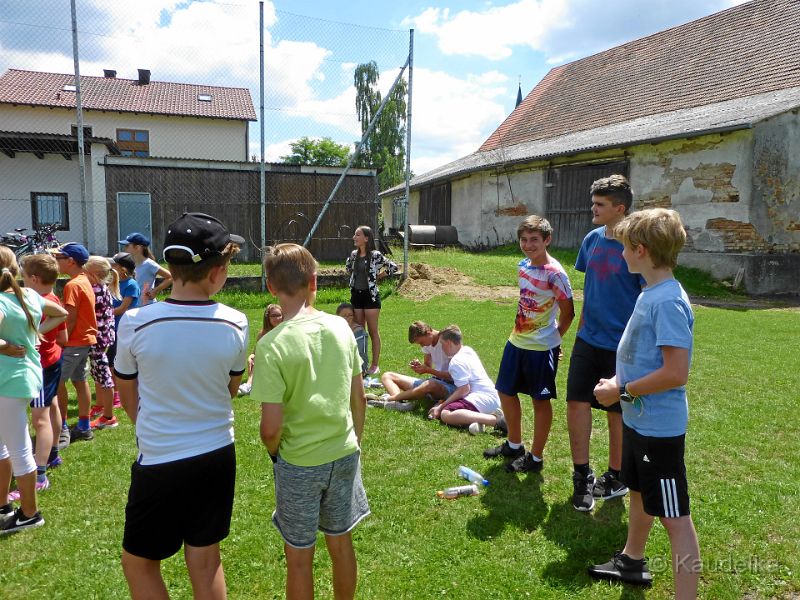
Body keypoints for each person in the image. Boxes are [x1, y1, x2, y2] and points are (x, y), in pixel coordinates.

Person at [114, 213, 248, 599]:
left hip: (159, 458)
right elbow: (230, 388)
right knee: (206, 560)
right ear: (217, 274)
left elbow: (127, 391)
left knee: (139, 562)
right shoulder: (235, 322)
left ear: (170, 267)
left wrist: (150, 426)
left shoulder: (135, 322)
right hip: (217, 454)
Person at [589, 208, 700, 597]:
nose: (620, 253)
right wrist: (619, 380)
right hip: (639, 422)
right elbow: (643, 357)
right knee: (637, 491)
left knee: (675, 518)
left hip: (658, 432)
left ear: (640, 250)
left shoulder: (667, 301)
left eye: (624, 247)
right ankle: (631, 561)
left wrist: (621, 392)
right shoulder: (650, 292)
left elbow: (675, 372)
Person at [254, 243, 368, 600]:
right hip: (344, 452)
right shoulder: (341, 328)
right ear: (314, 281)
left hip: (299, 462)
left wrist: (275, 454)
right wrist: (354, 442)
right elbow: (359, 397)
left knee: (300, 559)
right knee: (341, 544)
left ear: (271, 286)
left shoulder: (271, 345)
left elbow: (270, 429)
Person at [566, 175, 644, 512]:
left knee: (616, 412)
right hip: (588, 338)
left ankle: (616, 475)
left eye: (600, 204)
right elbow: (591, 290)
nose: (593, 209)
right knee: (576, 402)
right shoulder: (592, 240)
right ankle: (581, 475)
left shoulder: (637, 247)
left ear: (620, 208)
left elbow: (645, 297)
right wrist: (580, 329)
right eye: (593, 202)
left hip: (622, 346)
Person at [484, 215, 575, 473]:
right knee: (505, 391)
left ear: (547, 240)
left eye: (534, 239)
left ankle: (535, 458)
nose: (528, 245)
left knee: (539, 401)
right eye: (523, 240)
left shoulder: (556, 273)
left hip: (541, 348)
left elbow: (569, 313)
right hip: (516, 341)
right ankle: (514, 445)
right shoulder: (523, 265)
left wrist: (555, 340)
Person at [0, 245, 68, 534]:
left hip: (9, 382)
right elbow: (61, 312)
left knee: (17, 447)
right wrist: (36, 332)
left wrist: (4, 345)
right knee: (3, 445)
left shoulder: (3, 301)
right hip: (21, 378)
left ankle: (29, 514)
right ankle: (4, 506)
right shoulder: (28, 294)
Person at [51, 242, 97, 444]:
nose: (55, 261)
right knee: (79, 380)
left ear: (70, 261)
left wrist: (61, 342)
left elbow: (69, 318)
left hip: (73, 341)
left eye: (58, 258)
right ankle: (84, 427)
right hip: (84, 340)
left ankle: (62, 429)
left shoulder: (72, 285)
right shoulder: (83, 280)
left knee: (57, 382)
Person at [427, 325, 505, 435]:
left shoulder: (456, 361)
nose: (442, 348)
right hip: (494, 397)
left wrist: (440, 407)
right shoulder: (467, 350)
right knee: (453, 408)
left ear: (449, 343)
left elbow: (464, 389)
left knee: (446, 413)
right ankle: (478, 420)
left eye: (442, 344)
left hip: (483, 399)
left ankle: (497, 421)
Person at [345, 225, 397, 375]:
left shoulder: (375, 255)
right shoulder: (354, 255)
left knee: (373, 331)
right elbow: (348, 268)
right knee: (360, 331)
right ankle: (361, 364)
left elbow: (393, 267)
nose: (354, 237)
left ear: (366, 238)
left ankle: (374, 365)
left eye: (357, 235)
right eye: (355, 235)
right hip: (356, 296)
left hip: (371, 297)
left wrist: (379, 276)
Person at [374, 320, 456, 411]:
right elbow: (427, 365)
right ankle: (398, 403)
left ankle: (391, 399)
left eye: (421, 342)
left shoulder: (446, 342)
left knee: (430, 384)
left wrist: (428, 370)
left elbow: (453, 376)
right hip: (433, 382)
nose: (422, 346)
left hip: (449, 385)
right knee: (387, 376)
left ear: (428, 333)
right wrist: (420, 367)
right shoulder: (428, 343)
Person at [83, 256, 118, 430]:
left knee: (103, 375)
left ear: (93, 275)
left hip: (98, 338)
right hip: (103, 336)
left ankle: (109, 417)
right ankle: (100, 405)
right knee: (98, 372)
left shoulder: (95, 290)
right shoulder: (102, 287)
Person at [107, 252, 140, 409]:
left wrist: (101, 313)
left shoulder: (131, 285)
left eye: (114, 265)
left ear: (123, 269)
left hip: (123, 328)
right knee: (110, 360)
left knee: (115, 361)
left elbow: (121, 309)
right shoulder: (114, 282)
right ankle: (115, 391)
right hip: (112, 326)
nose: (111, 267)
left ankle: (118, 395)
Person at [237, 303, 282, 396]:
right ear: (268, 318)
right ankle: (250, 384)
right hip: (267, 362)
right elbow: (255, 351)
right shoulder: (263, 334)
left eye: (279, 315)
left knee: (262, 358)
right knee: (254, 359)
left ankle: (249, 385)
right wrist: (251, 356)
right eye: (273, 315)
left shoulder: (286, 332)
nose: (277, 318)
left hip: (280, 362)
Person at [119, 232, 172, 306]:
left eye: (127, 245)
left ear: (137, 247)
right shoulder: (129, 264)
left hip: (146, 306)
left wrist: (155, 291)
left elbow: (170, 277)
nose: (124, 248)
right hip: (131, 307)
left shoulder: (149, 264)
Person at [336, 303, 368, 375]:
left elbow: (361, 353)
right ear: (337, 317)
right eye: (344, 316)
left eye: (350, 315)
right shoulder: (334, 330)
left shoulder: (359, 332)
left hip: (358, 367)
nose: (347, 318)